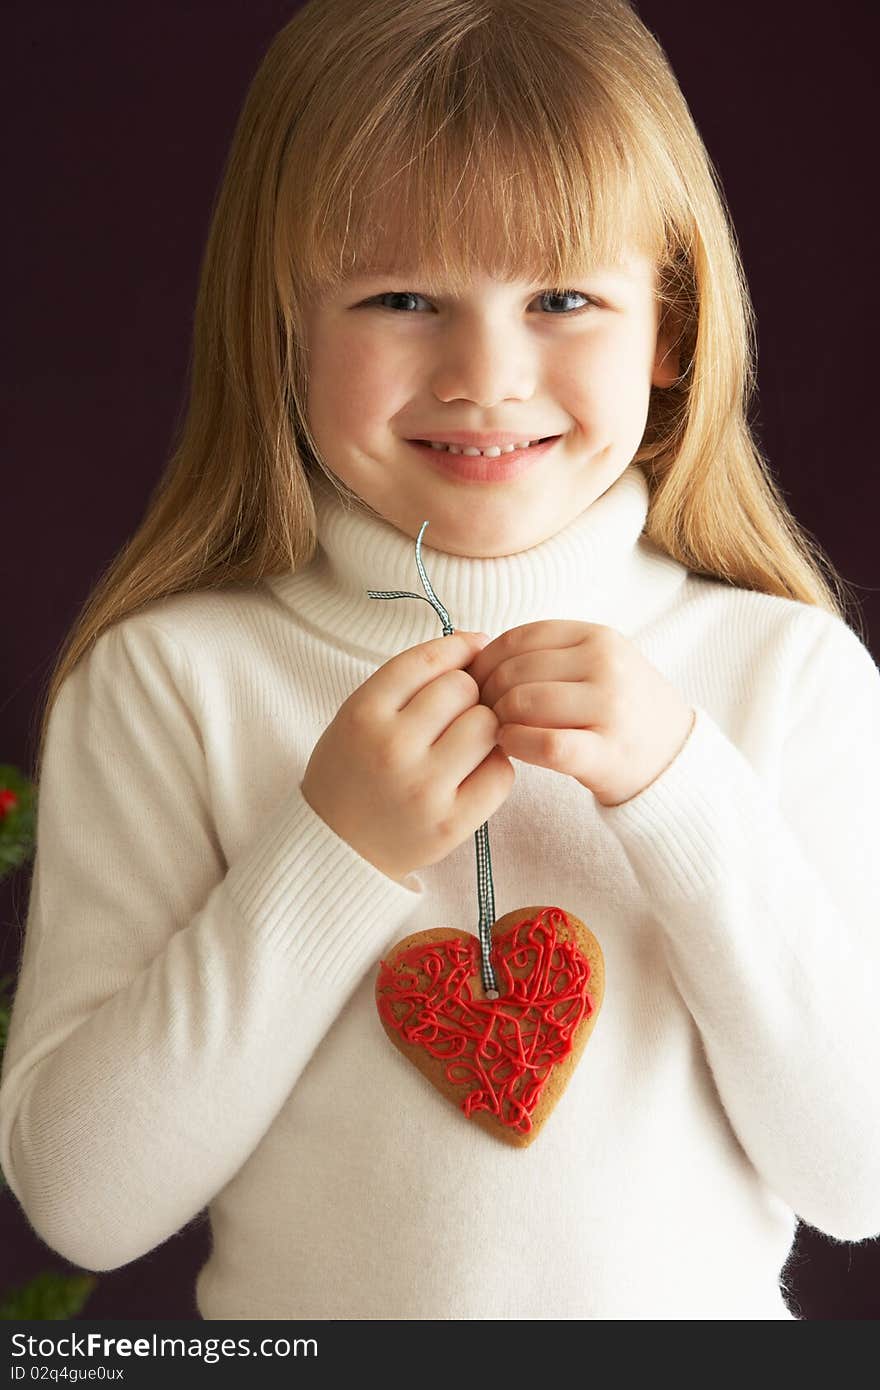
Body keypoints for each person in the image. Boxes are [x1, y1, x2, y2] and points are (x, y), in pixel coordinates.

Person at [1, 0, 878, 1322]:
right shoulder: (170, 682)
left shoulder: (784, 674)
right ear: (283, 328)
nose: (484, 374)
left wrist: (687, 797)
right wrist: (326, 851)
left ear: (672, 330)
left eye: (564, 298)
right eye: (403, 297)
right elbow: (84, 1196)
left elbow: (857, 1175)